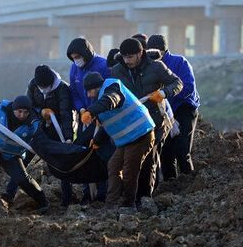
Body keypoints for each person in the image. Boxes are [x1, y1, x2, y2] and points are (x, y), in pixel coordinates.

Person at [109, 38, 183, 202]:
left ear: (140, 53)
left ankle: (145, 199)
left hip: (155, 121)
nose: (127, 61)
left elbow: (177, 83)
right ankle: (130, 198)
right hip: (132, 124)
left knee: (149, 160)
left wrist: (163, 93)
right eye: (125, 57)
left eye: (131, 57)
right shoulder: (117, 71)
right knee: (131, 162)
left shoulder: (156, 67)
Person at [80, 72, 155, 208]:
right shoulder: (101, 102)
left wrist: (90, 112)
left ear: (97, 87)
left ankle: (128, 205)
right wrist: (97, 141)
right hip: (127, 140)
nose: (88, 95)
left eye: (89, 91)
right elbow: (108, 124)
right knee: (113, 166)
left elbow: (111, 100)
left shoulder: (112, 88)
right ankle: (111, 205)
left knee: (129, 172)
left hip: (141, 134)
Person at [4, 65, 75, 206]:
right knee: (22, 160)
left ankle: (67, 200)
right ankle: (9, 193)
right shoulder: (33, 84)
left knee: (62, 164)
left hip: (57, 130)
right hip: (37, 129)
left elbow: (66, 114)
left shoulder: (62, 89)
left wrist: (68, 138)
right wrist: (41, 111)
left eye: (45, 86)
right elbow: (29, 107)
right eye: (40, 86)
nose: (43, 89)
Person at [147, 34, 200, 179]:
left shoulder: (179, 62)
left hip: (184, 107)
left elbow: (187, 88)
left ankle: (188, 181)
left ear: (163, 51)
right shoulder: (148, 66)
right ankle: (171, 185)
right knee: (166, 152)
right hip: (162, 111)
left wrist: (166, 99)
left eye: (157, 53)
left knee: (182, 149)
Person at [66, 36, 109, 203]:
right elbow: (74, 93)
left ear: (86, 53)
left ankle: (103, 192)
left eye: (78, 56)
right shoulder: (74, 69)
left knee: (101, 152)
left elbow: (107, 92)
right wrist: (82, 109)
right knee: (85, 153)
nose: (76, 60)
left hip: (101, 117)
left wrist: (95, 112)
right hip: (84, 118)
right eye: (73, 58)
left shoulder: (102, 65)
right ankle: (87, 192)